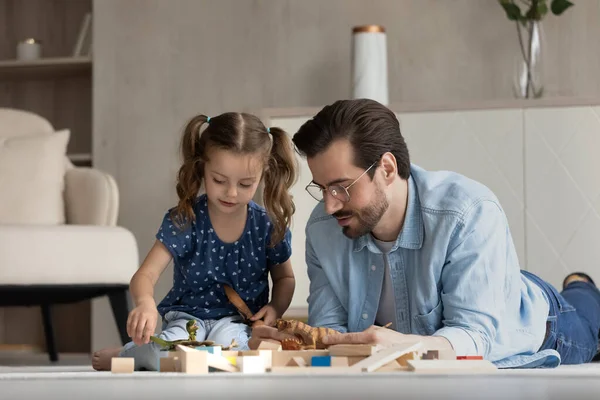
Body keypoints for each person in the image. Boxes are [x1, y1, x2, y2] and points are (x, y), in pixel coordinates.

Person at [248, 98, 600, 368]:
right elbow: (331, 333)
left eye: (341, 187)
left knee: (589, 315)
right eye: (322, 188)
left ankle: (582, 285)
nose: (329, 205)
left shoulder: (469, 212)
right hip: (491, 282)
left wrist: (406, 347)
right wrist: (295, 343)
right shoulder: (323, 229)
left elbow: (476, 337)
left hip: (540, 321)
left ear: (386, 168)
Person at [93, 112, 298, 371]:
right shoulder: (185, 219)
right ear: (202, 168)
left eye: (246, 184)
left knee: (232, 360)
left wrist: (275, 308)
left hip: (235, 322)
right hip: (187, 319)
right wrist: (145, 303)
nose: (231, 193)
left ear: (263, 174)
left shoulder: (267, 225)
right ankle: (133, 354)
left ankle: (154, 354)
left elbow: (285, 279)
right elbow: (145, 275)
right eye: (219, 180)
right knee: (169, 356)